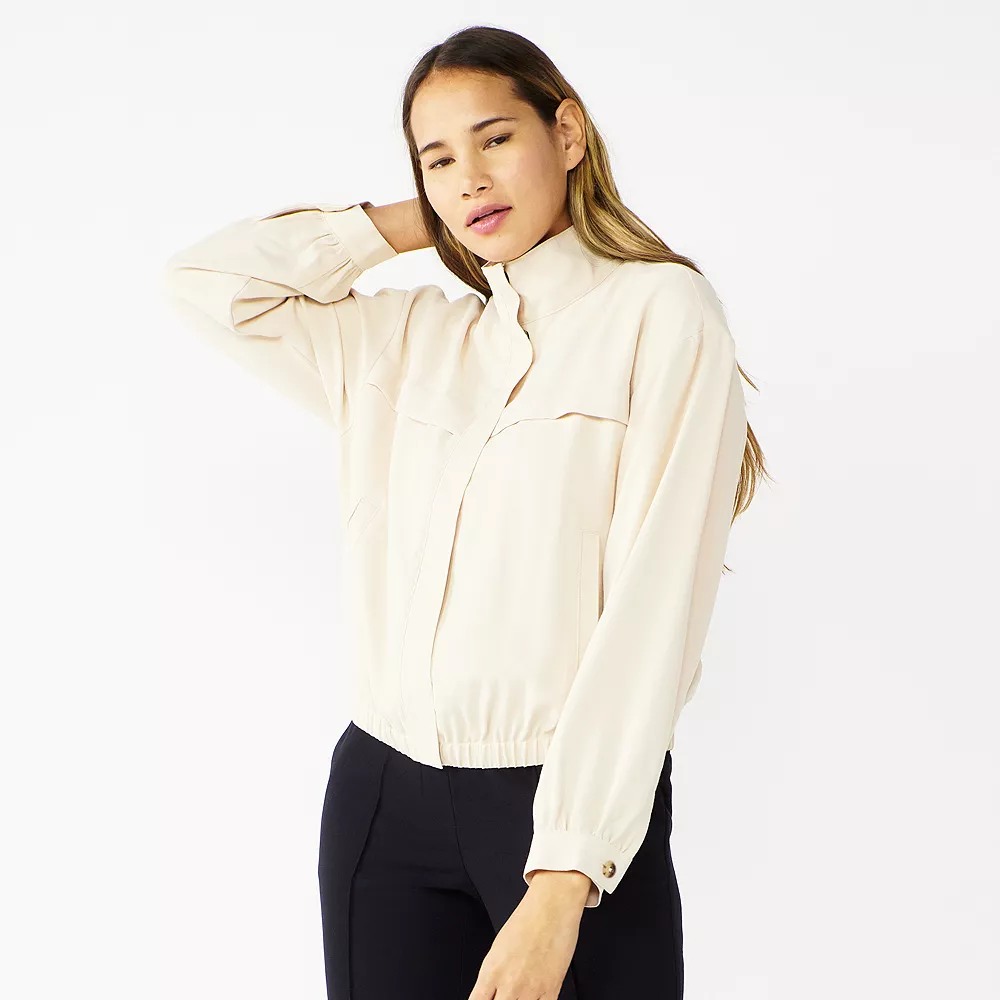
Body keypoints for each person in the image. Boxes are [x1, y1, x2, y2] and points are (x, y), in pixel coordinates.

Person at [161, 23, 768, 1000]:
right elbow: (204, 286)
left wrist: (563, 877)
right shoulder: (406, 342)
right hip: (379, 792)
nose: (470, 177)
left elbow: (653, 615)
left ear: (566, 134)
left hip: (559, 808)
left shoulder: (661, 315)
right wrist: (421, 220)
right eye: (437, 158)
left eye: (496, 139)